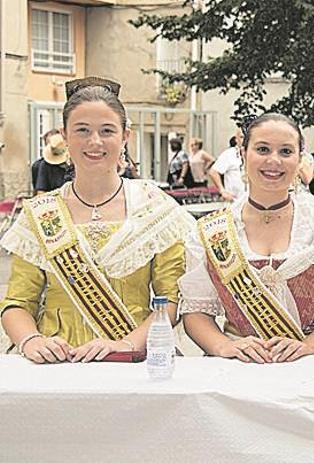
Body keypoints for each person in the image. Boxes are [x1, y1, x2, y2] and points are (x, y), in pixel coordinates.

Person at [0, 77, 195, 363]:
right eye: (82, 130)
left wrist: (127, 345)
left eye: (107, 131)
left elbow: (172, 300)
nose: (95, 142)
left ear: (125, 136)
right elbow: (17, 303)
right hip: (58, 367)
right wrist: (31, 341)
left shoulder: (154, 207)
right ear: (64, 137)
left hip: (132, 364)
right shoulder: (39, 214)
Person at [179, 113, 314, 363]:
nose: (274, 161)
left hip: (311, 364)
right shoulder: (211, 232)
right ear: (243, 154)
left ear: (300, 159)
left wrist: (310, 346)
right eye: (262, 149)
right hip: (237, 366)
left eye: (286, 151)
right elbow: (196, 311)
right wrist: (223, 346)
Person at [208, 131, 245, 202]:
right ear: (236, 139)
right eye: (241, 137)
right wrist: (222, 191)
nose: (244, 140)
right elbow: (213, 172)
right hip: (234, 200)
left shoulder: (255, 154)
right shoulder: (229, 154)